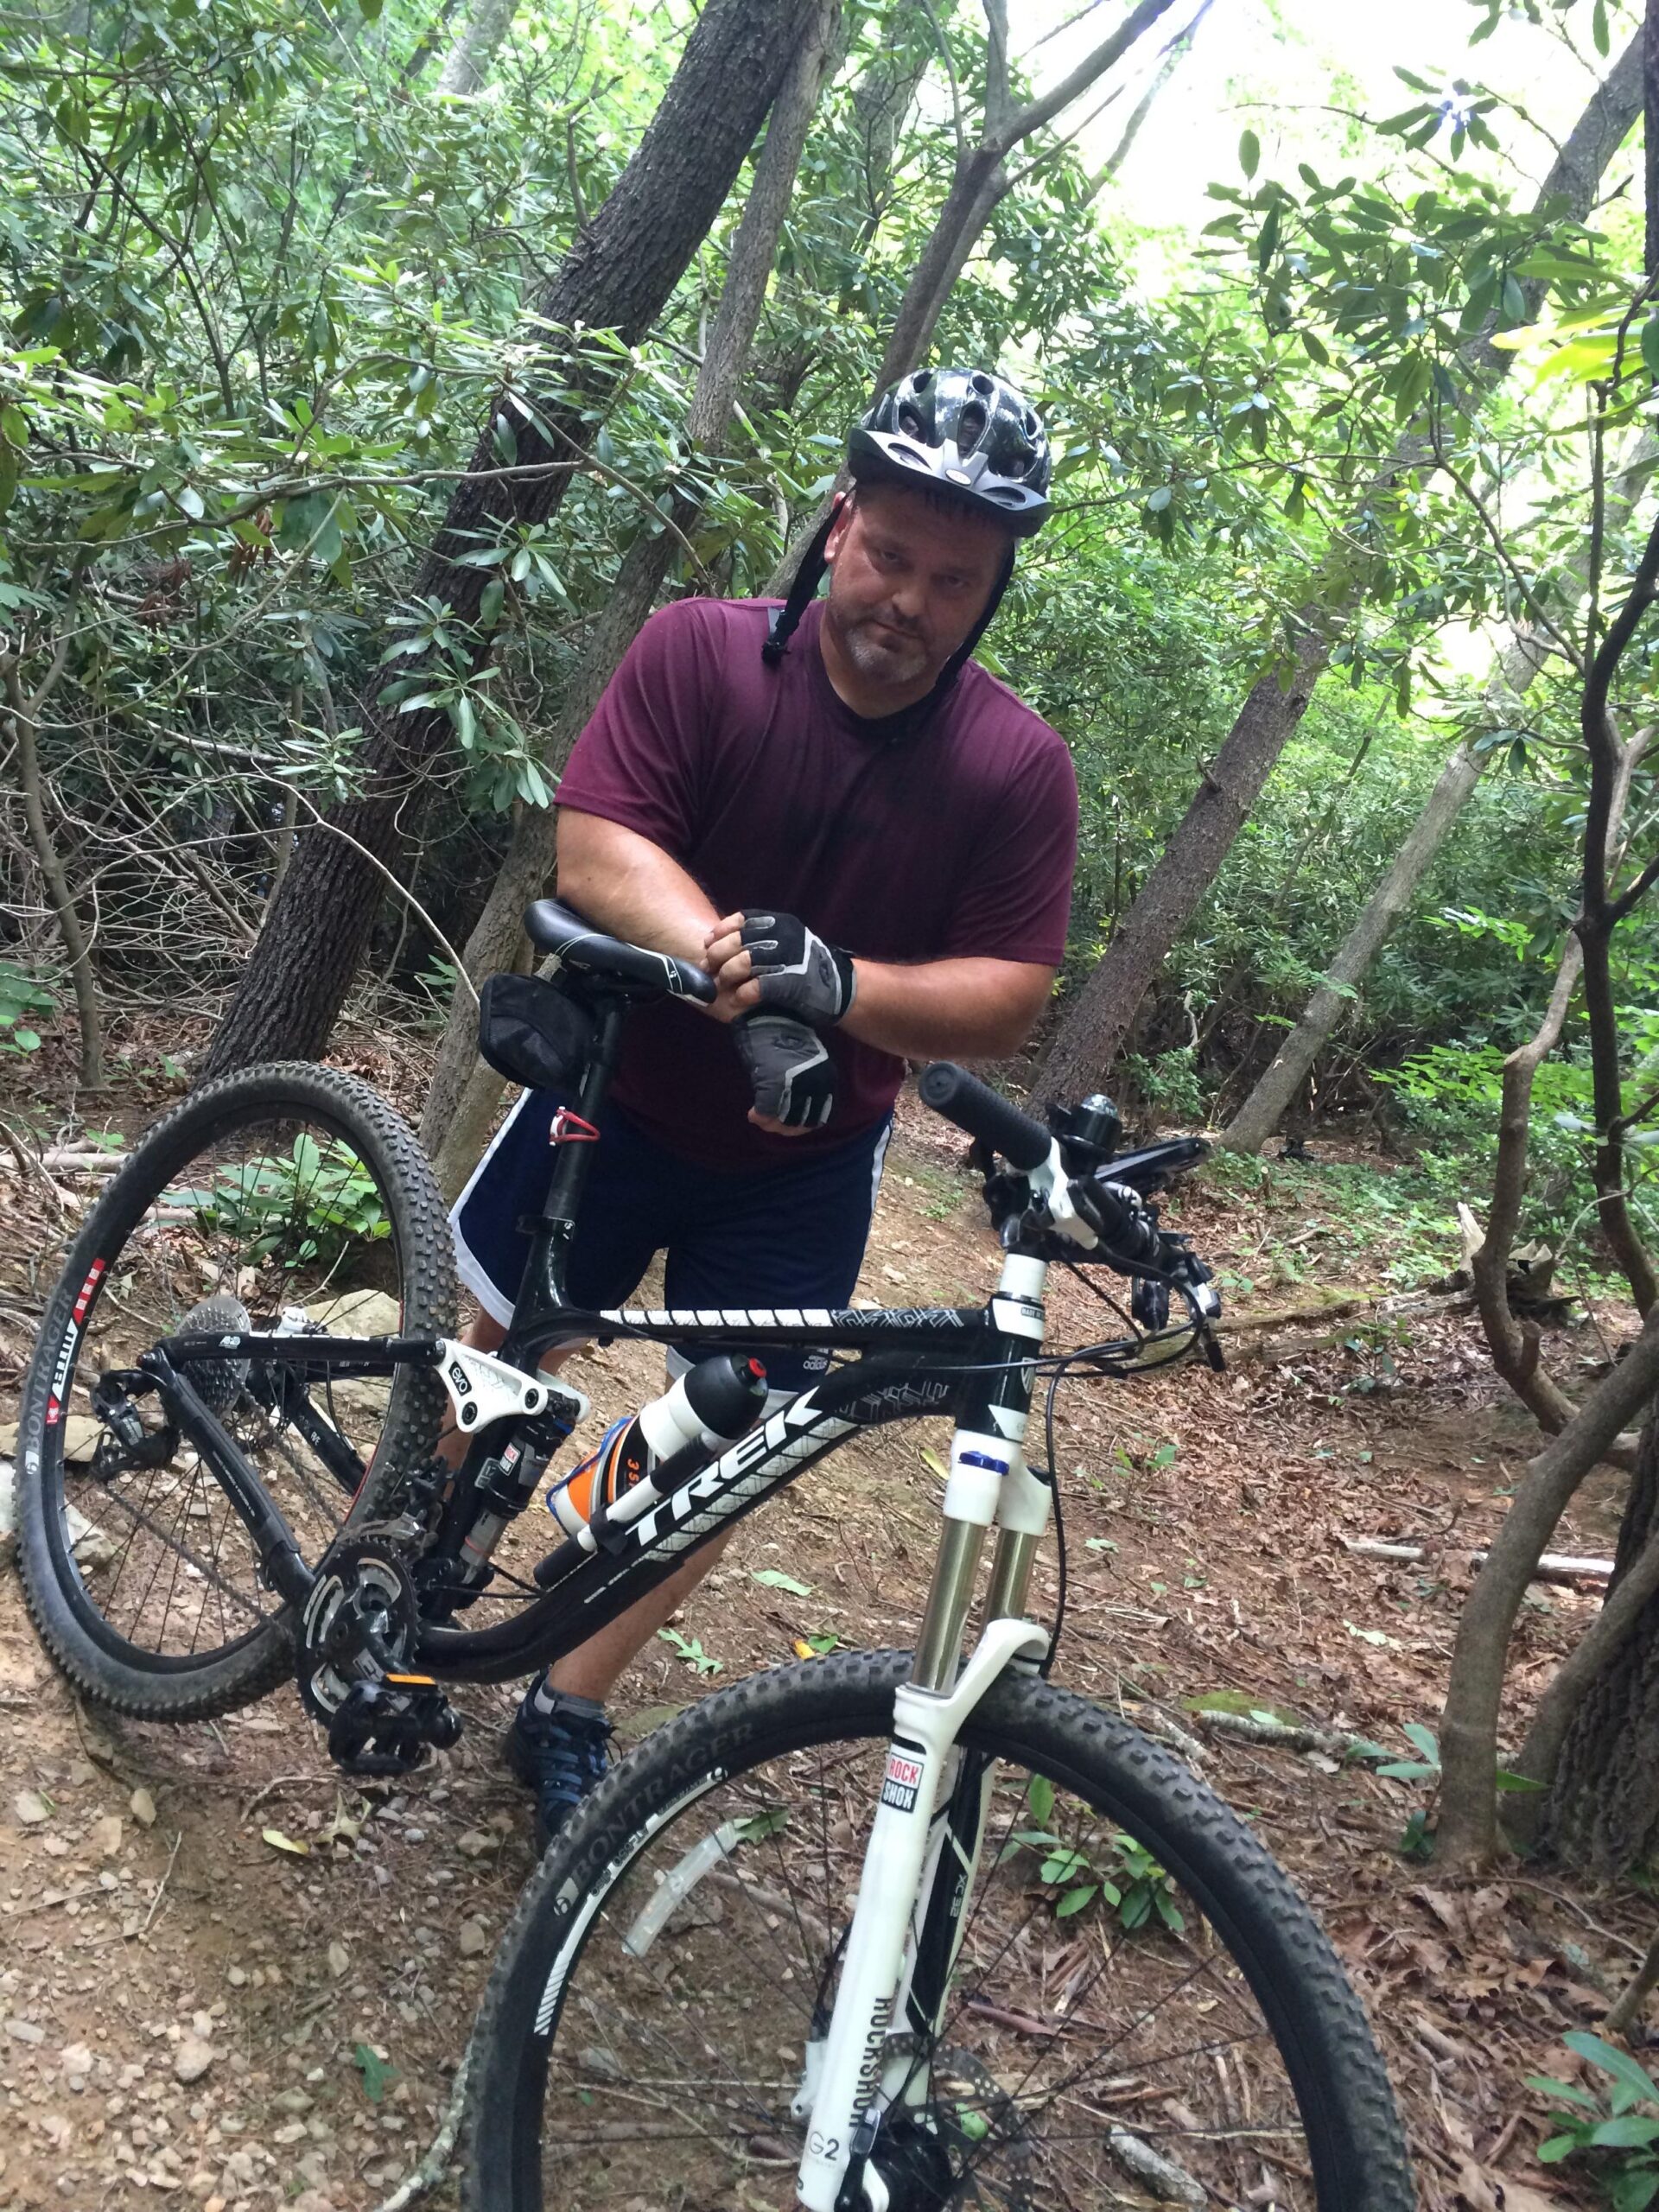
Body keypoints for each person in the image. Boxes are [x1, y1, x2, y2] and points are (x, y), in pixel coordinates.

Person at [448, 365, 1079, 1841]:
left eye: (954, 579)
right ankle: (410, 1582)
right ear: (840, 523)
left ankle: (569, 1698)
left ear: (990, 593)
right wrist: (745, 972)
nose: (911, 600)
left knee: (736, 1442)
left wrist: (838, 989)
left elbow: (1010, 985)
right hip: (613, 1094)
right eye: (890, 557)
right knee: (500, 1354)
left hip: (807, 1158)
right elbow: (598, 847)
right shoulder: (703, 655)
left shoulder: (1014, 766)